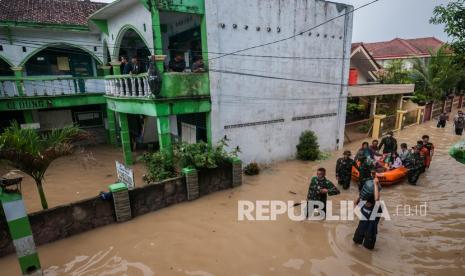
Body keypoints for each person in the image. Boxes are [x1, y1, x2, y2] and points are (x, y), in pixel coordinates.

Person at [353, 171, 381, 250]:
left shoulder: (377, 205)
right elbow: (355, 202)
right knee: (358, 237)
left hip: (373, 218)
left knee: (369, 237)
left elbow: (376, 198)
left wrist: (375, 184)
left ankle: (367, 246)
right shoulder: (363, 199)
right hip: (364, 217)